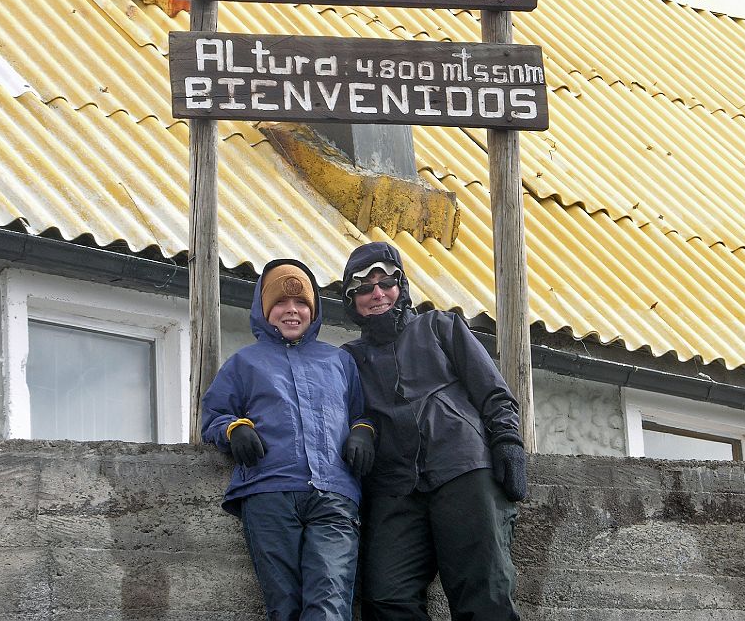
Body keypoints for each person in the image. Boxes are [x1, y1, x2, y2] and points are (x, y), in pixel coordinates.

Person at [341, 241, 527, 621]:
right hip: (394, 487)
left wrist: (507, 441)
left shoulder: (441, 326)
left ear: (401, 285)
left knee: (484, 591)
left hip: (462, 468)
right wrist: (359, 429)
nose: (376, 293)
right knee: (385, 597)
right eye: (363, 287)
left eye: (386, 281)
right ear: (351, 299)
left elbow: (493, 391)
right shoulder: (349, 359)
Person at [201, 259, 376, 621]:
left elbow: (361, 413)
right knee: (285, 606)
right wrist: (236, 429)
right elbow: (214, 417)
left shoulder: (339, 361)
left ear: (314, 310)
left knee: (329, 601)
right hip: (269, 493)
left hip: (334, 495)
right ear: (265, 309)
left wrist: (363, 432)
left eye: (301, 304)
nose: (291, 311)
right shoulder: (244, 363)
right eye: (280, 303)